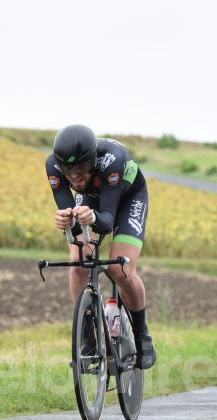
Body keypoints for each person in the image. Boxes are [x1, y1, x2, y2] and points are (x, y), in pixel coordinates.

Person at [46, 124, 156, 369]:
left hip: (127, 198)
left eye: (81, 168)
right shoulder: (52, 166)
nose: (74, 176)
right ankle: (86, 336)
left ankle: (141, 334)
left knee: (121, 269)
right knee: (78, 264)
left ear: (93, 160)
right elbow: (73, 226)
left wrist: (93, 218)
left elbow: (106, 219)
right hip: (92, 199)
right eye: (68, 169)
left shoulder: (112, 160)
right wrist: (66, 221)